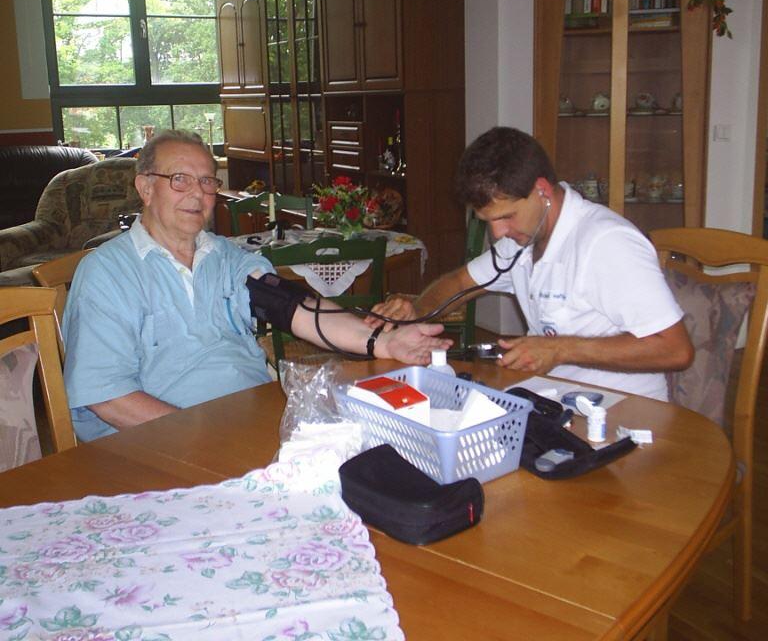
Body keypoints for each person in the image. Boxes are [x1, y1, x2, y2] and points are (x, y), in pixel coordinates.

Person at [63, 130, 449, 441]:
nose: (197, 193)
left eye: (207, 181)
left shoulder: (225, 256)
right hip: (159, 441)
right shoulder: (106, 273)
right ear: (146, 188)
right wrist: (200, 438)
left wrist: (382, 342)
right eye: (179, 180)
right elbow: (107, 398)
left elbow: (292, 306)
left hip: (250, 420)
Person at [368, 126, 693, 400]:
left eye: (506, 217)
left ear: (542, 191)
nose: (498, 234)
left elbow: (675, 349)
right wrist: (417, 311)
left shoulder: (606, 242)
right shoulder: (523, 239)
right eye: (488, 221)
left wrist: (559, 349)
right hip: (557, 399)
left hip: (624, 413)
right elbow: (459, 283)